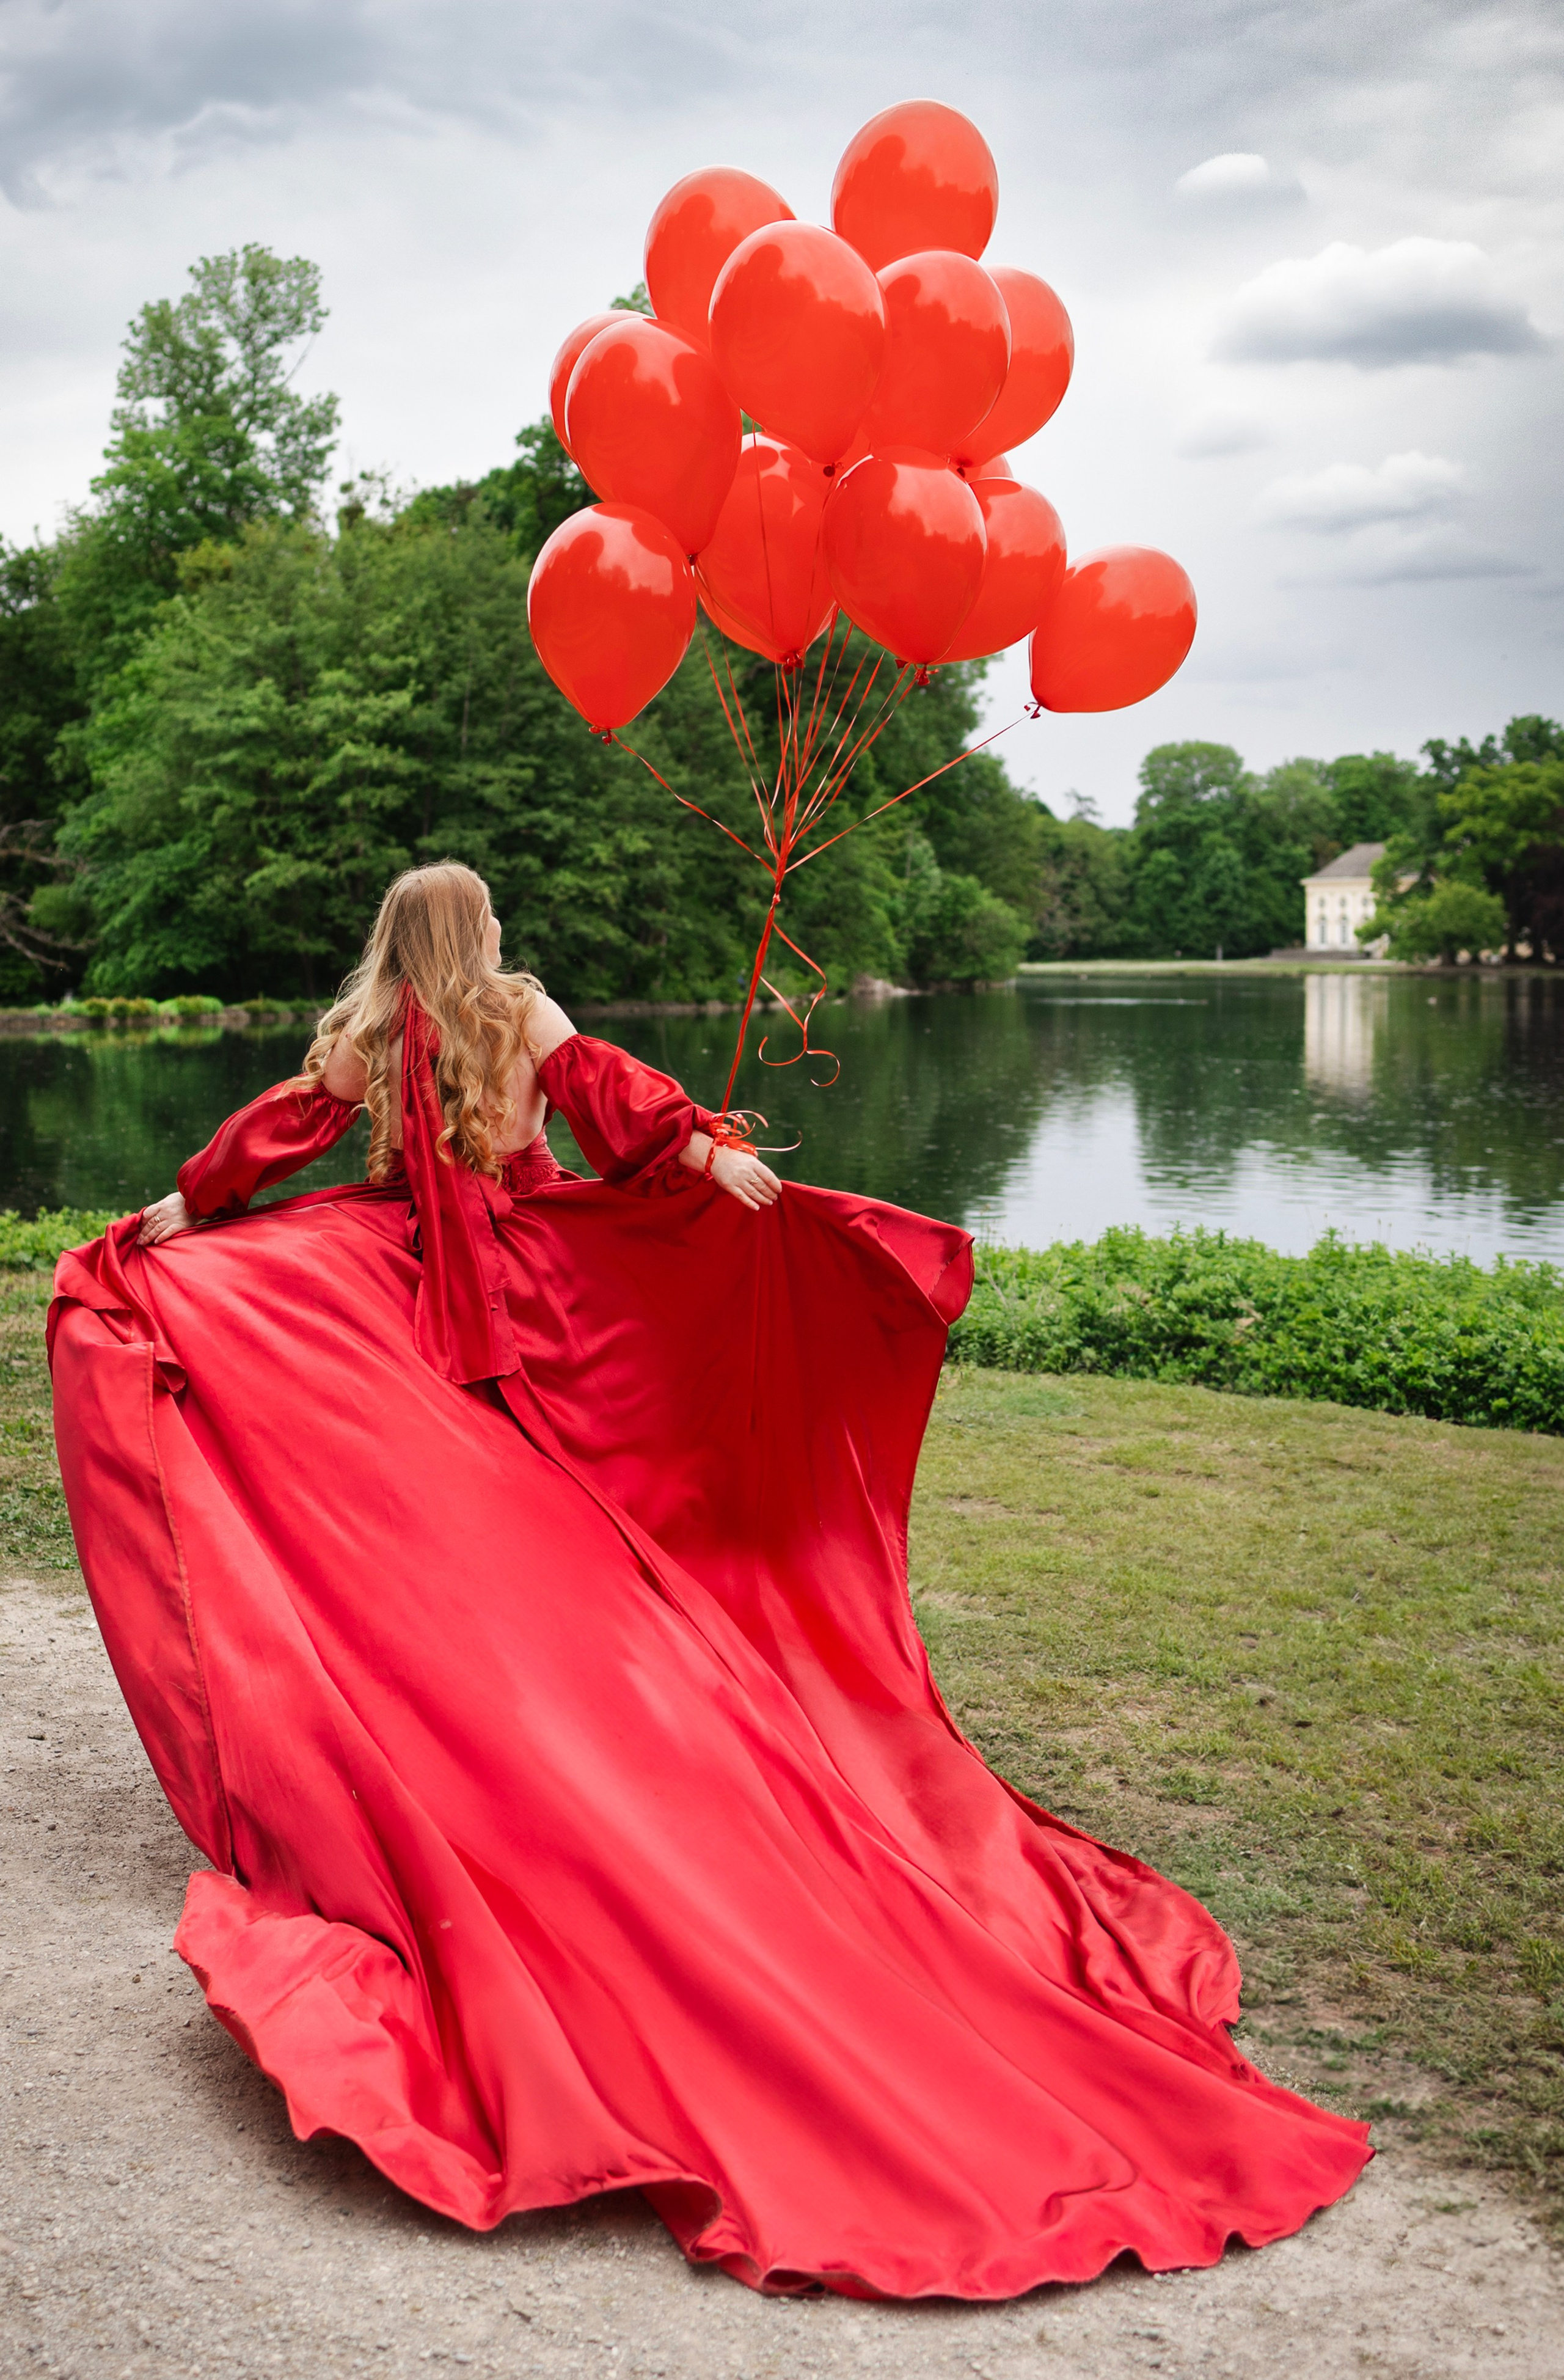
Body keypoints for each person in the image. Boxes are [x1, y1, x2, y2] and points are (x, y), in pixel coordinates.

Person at [50, 862, 1369, 2299]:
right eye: (483, 923)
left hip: (423, 1266)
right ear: (471, 934)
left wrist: (184, 1214)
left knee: (371, 1376)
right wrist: (692, 1157)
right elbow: (603, 1094)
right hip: (514, 1267)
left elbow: (286, 1137)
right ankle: (540, 1642)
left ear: (391, 939)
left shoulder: (378, 1028)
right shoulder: (508, 1007)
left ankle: (553, 1621)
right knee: (523, 1466)